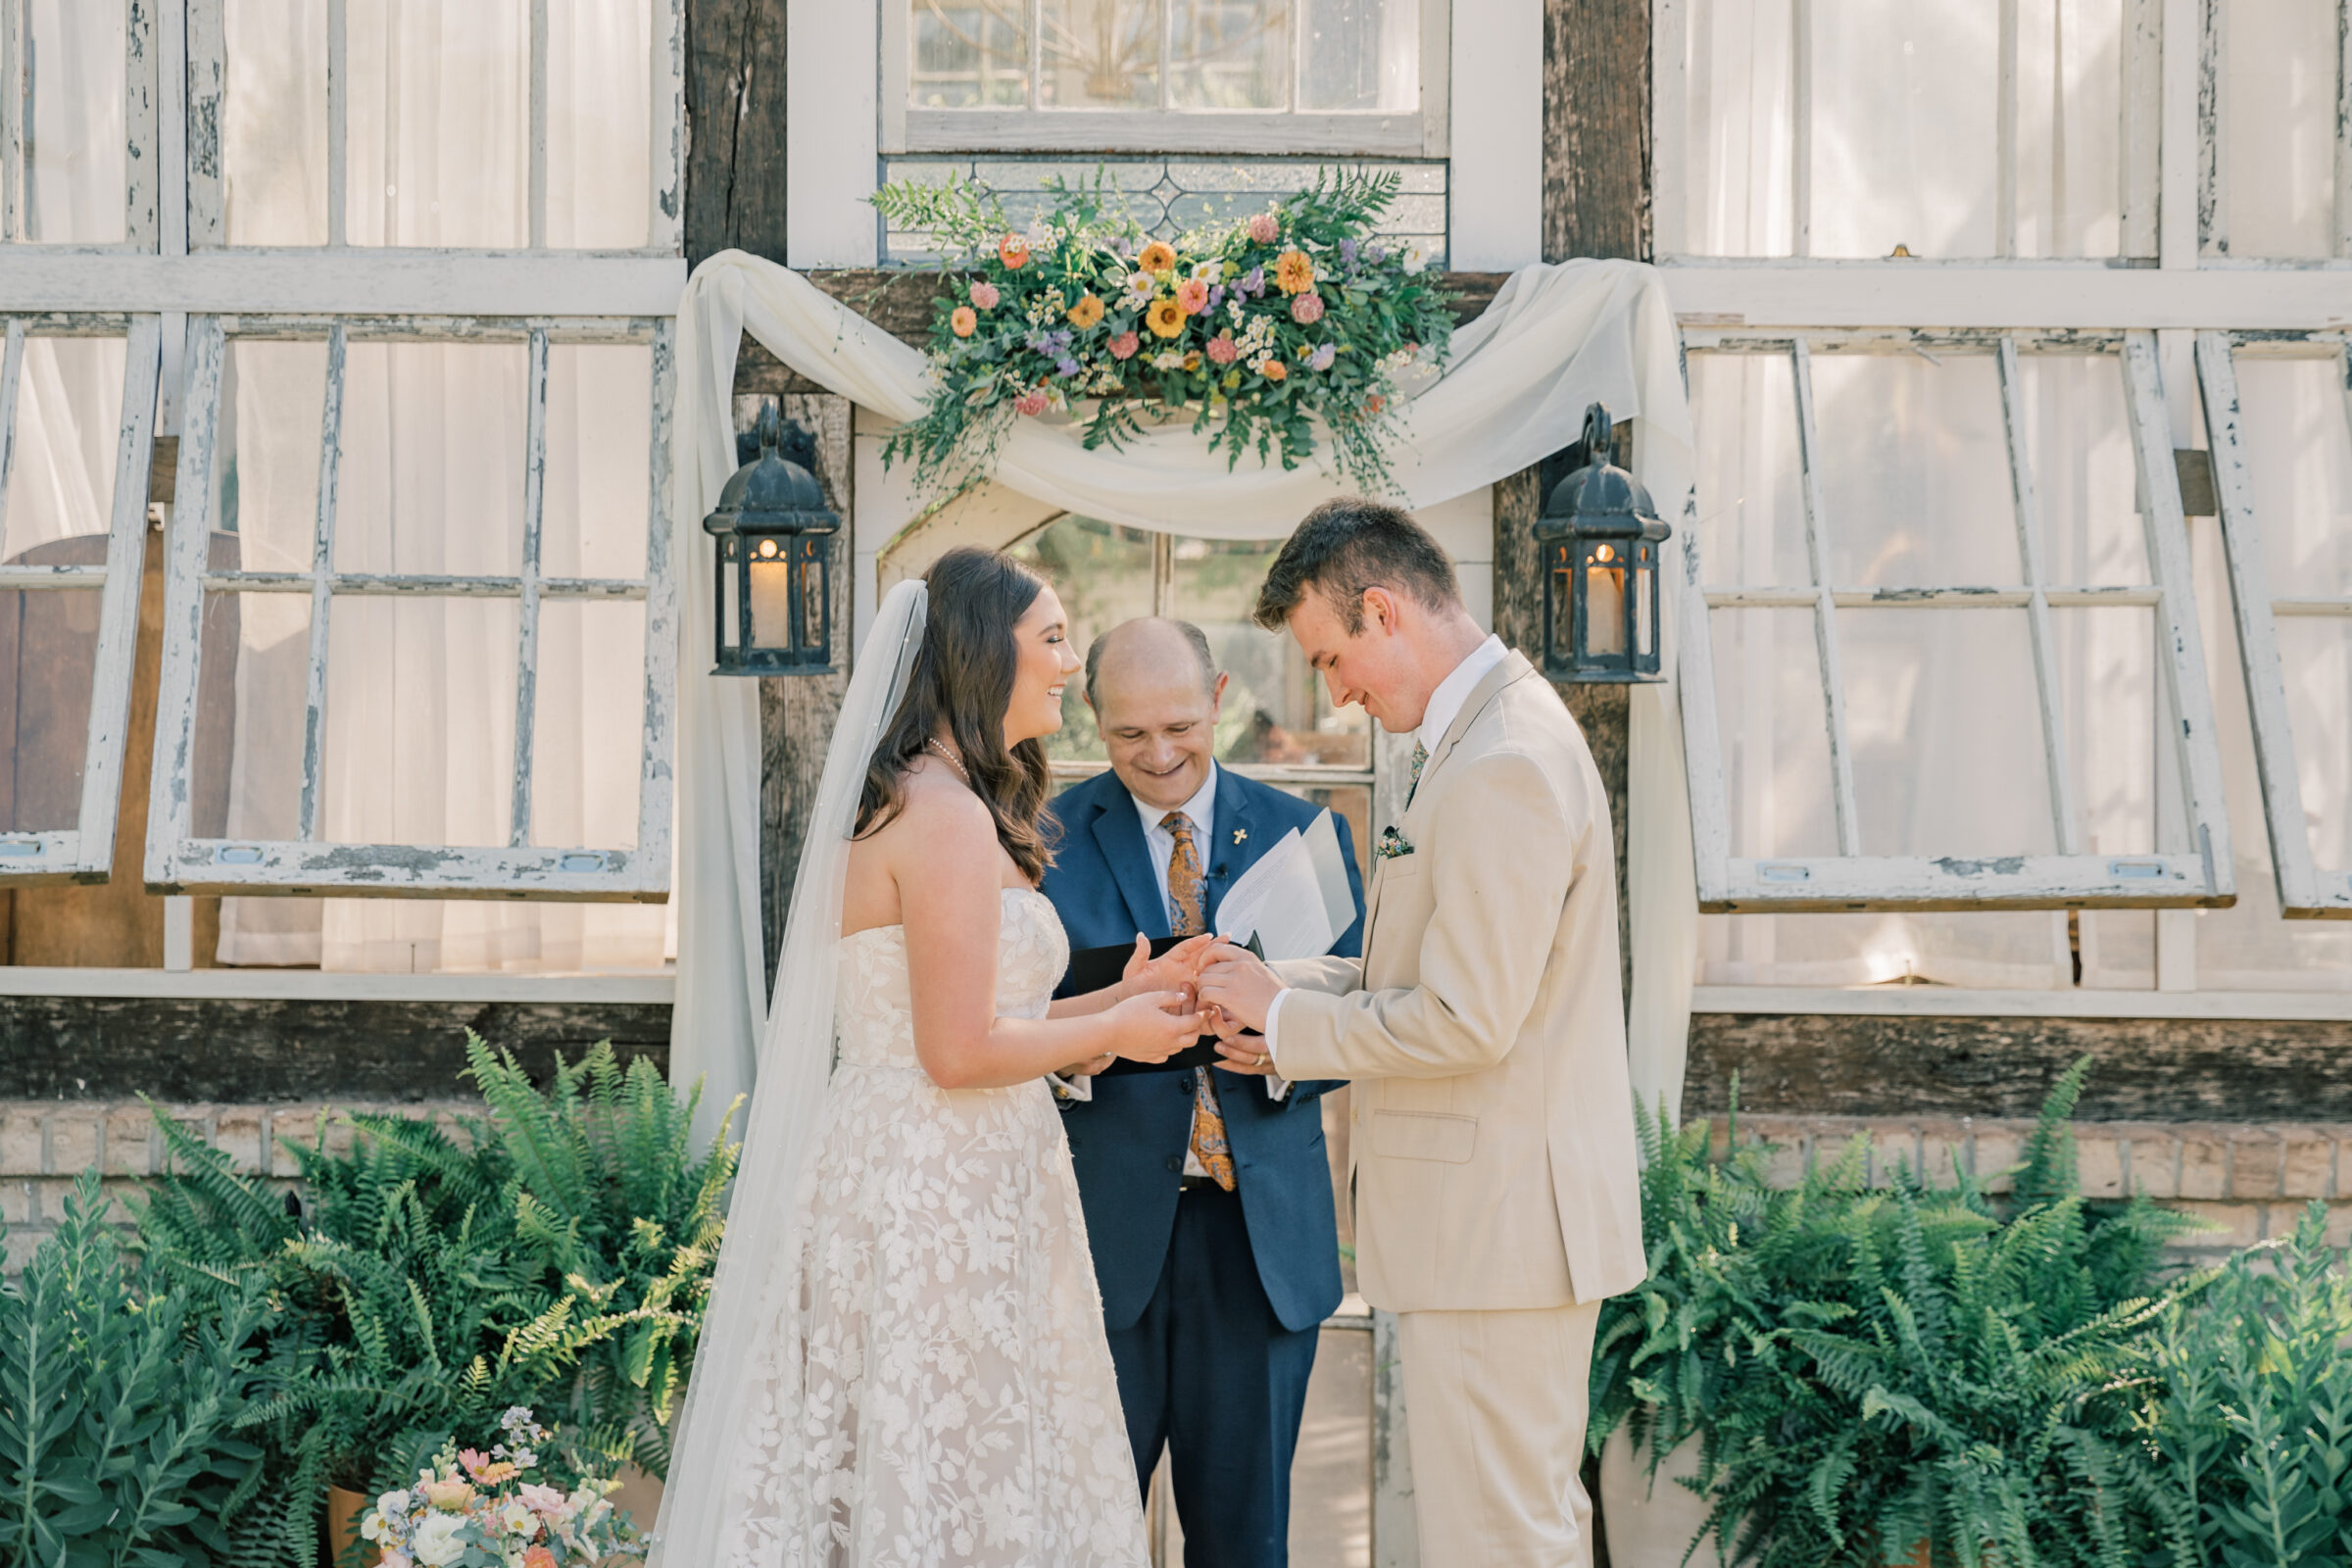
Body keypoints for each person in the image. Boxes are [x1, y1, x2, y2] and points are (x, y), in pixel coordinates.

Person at [651, 548, 1219, 1567]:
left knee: (940, 1449)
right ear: (979, 650)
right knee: (948, 1454)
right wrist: (1114, 1035)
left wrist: (1117, 996)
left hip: (927, 1162)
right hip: (937, 1189)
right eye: (1049, 637)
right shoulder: (942, 815)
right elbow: (957, 1051)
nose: (1066, 658)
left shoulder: (930, 797)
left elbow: (978, 1013)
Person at [1197, 499, 1647, 1568]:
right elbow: (1426, 971)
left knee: (1499, 1540)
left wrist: (1293, 1024)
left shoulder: (1502, 761)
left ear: (1384, 610)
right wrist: (1275, 987)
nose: (1335, 691)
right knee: (1504, 1526)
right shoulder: (1484, 737)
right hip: (1487, 1231)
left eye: (1332, 657)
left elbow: (1465, 1018)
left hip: (1498, 1232)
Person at [1039, 617, 1366, 1568]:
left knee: (1246, 1546)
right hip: (1100, 1247)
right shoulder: (1043, 841)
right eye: (1130, 735)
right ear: (1093, 721)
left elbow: (1362, 1026)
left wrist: (1276, 1042)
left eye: (1181, 724)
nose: (1162, 754)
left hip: (1258, 1243)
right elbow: (1002, 1021)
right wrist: (1077, 1050)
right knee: (1081, 1537)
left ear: (1221, 697)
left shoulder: (1306, 832)